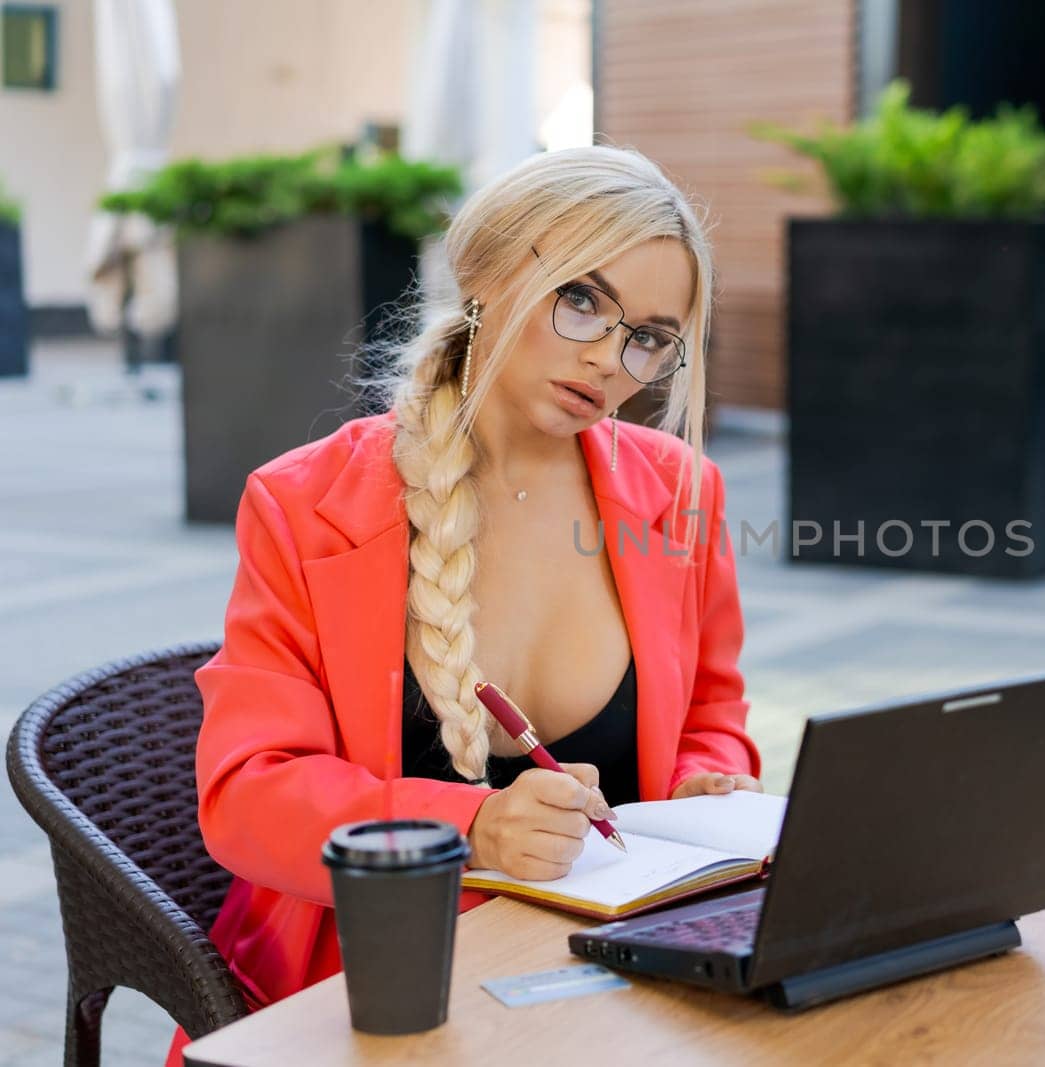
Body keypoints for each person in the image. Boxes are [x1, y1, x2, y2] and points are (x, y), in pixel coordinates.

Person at [166, 145, 762, 1065]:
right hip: (371, 981)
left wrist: (704, 783)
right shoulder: (303, 505)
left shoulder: (681, 495)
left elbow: (715, 713)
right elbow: (248, 792)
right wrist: (473, 827)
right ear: (479, 273)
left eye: (648, 336)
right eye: (581, 300)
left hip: (618, 972)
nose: (610, 357)